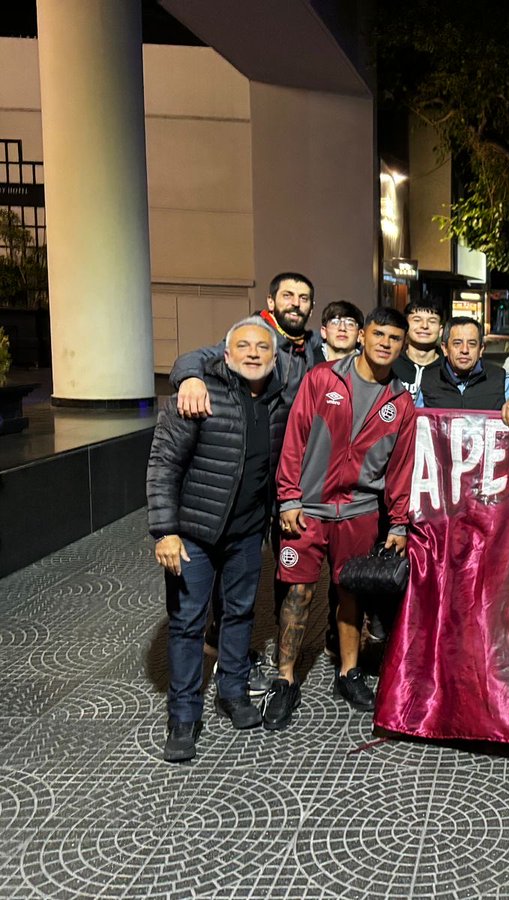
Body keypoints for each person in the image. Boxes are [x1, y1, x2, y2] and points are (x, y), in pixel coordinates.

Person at [265, 307, 417, 730]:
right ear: (363, 336)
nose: (386, 343)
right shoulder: (323, 379)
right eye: (379, 334)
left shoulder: (401, 402)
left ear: (402, 346)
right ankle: (284, 678)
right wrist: (289, 498)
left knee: (350, 595)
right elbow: (294, 438)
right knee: (298, 593)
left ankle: (349, 673)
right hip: (308, 509)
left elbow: (401, 468)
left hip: (359, 512)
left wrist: (399, 522)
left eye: (395, 338)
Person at [146, 317, 289, 762]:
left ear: (275, 358)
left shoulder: (279, 399)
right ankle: (183, 716)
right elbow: (163, 464)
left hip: (246, 533)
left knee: (239, 613)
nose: (253, 353)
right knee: (187, 623)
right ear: (225, 355)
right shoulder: (197, 394)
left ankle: (232, 691)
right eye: (242, 346)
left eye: (262, 347)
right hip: (193, 534)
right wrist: (165, 531)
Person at [170, 272, 320, 415]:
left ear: (311, 308)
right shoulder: (251, 335)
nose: (296, 303)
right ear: (271, 301)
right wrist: (190, 379)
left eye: (303, 298)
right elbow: (198, 357)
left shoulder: (310, 341)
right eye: (287, 295)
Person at [420, 316, 509, 422]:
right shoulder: (428, 380)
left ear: (481, 349)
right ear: (445, 348)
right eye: (457, 343)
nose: (464, 350)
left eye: (472, 344)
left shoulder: (500, 379)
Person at [394, 300, 444, 399]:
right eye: (417, 320)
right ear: (405, 327)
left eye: (432, 321)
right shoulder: (391, 365)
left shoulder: (449, 369)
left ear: (440, 330)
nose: (424, 326)